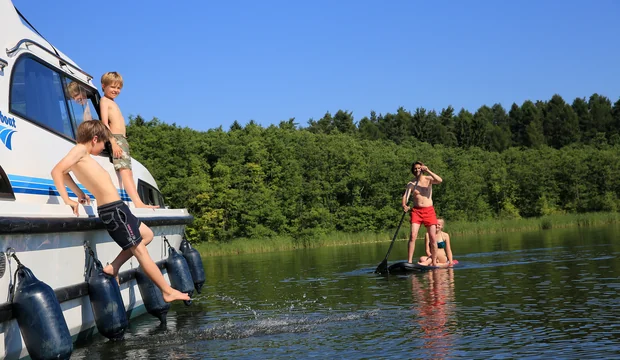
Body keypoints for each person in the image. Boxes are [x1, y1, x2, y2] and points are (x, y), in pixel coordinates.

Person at [51, 120, 189, 303]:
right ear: (94, 139)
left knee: (146, 235)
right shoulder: (79, 150)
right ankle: (167, 291)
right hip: (113, 211)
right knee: (141, 252)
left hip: (119, 209)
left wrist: (79, 193)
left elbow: (66, 173)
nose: (102, 148)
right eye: (103, 144)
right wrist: (68, 199)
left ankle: (114, 267)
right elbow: (57, 171)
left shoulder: (81, 155)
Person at [99, 71, 158, 208]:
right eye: (113, 87)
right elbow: (104, 123)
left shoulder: (113, 102)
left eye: (118, 88)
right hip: (116, 139)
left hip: (122, 140)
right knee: (125, 171)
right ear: (103, 86)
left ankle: (137, 201)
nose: (116, 90)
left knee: (128, 172)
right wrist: (113, 142)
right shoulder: (104, 101)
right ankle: (138, 202)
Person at [402, 161, 443, 265]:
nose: (417, 170)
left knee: (433, 238)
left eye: (419, 168)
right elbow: (406, 196)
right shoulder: (411, 183)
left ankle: (434, 262)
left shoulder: (428, 179)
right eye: (415, 169)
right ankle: (409, 262)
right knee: (412, 235)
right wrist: (404, 205)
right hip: (417, 211)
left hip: (429, 211)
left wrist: (428, 170)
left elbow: (439, 180)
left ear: (422, 169)